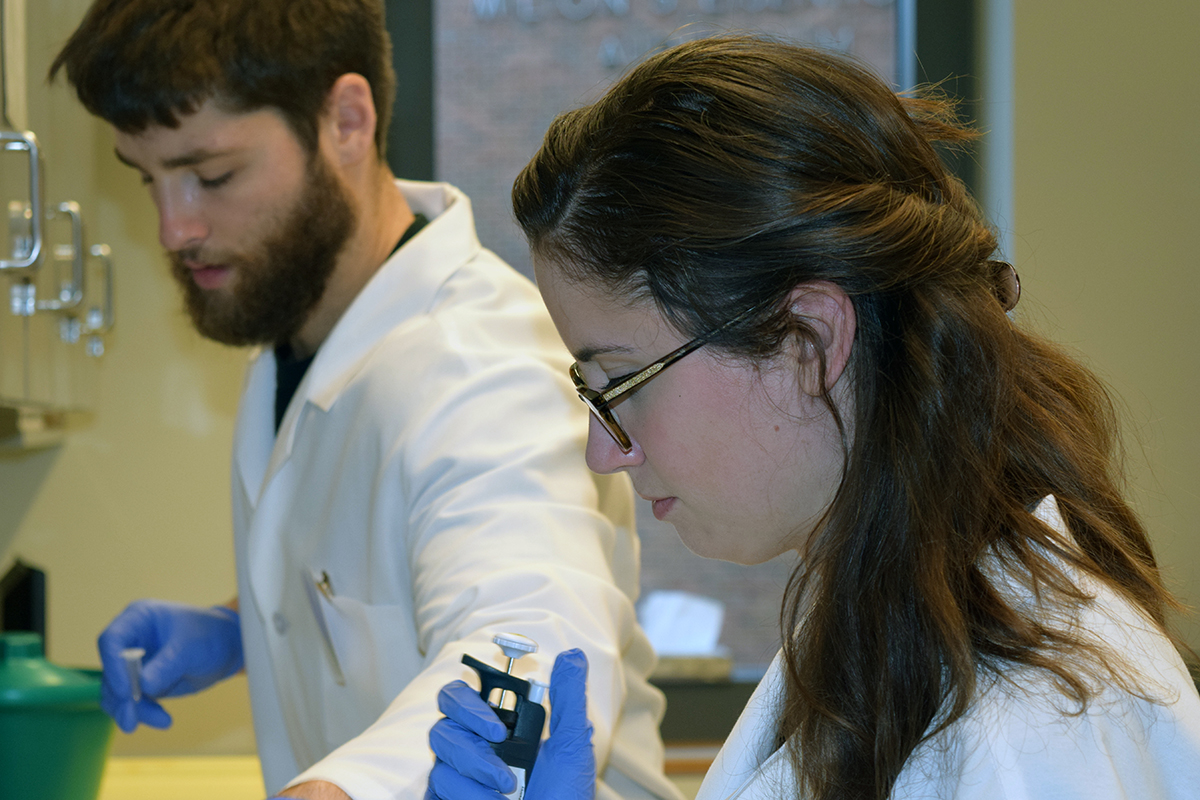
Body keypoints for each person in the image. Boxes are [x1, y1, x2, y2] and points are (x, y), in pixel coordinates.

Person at [425, 35, 1200, 800]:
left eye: (621, 382)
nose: (604, 453)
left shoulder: (1027, 731)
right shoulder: (890, 614)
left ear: (810, 341)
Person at [48, 2, 683, 800]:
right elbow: (398, 555)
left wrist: (342, 791)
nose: (174, 228)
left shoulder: (480, 368)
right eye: (149, 178)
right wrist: (245, 625)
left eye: (211, 176)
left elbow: (527, 631)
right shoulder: (308, 332)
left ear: (347, 120)